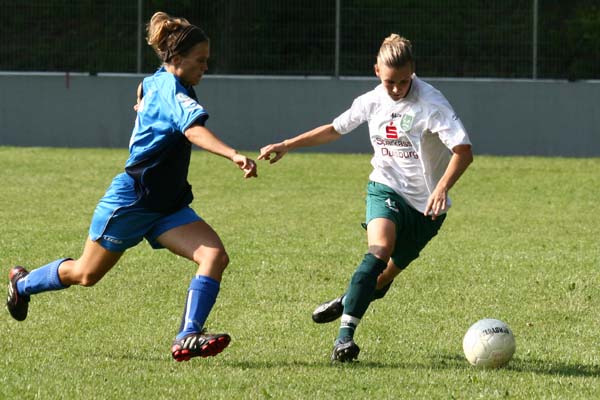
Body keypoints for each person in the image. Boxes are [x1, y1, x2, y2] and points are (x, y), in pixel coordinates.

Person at [6, 11, 257, 362]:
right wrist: (232, 154)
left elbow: (145, 92)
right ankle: (22, 284)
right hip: (133, 200)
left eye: (206, 60)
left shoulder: (156, 81)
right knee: (86, 273)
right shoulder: (170, 89)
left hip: (166, 204)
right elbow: (192, 130)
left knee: (214, 256)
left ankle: (187, 335)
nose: (205, 67)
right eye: (200, 60)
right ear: (177, 57)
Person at [258, 34, 473, 362]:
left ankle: (349, 299)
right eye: (389, 82)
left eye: (404, 81)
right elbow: (335, 129)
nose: (397, 89)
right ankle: (344, 339)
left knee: (382, 280)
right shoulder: (372, 101)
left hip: (428, 208)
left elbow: (463, 151)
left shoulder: (432, 103)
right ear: (376, 71)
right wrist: (287, 144)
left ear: (413, 71)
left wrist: (442, 187)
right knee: (379, 251)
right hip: (385, 187)